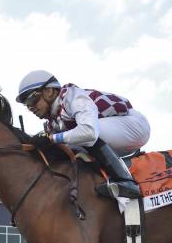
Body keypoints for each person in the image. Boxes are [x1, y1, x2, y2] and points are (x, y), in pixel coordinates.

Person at [16, 70, 150, 199]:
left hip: (135, 125)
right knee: (65, 146)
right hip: (114, 135)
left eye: (31, 100)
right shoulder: (53, 122)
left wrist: (52, 138)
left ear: (49, 91)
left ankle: (127, 183)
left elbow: (89, 133)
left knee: (81, 135)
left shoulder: (71, 96)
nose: (30, 107)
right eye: (26, 105)